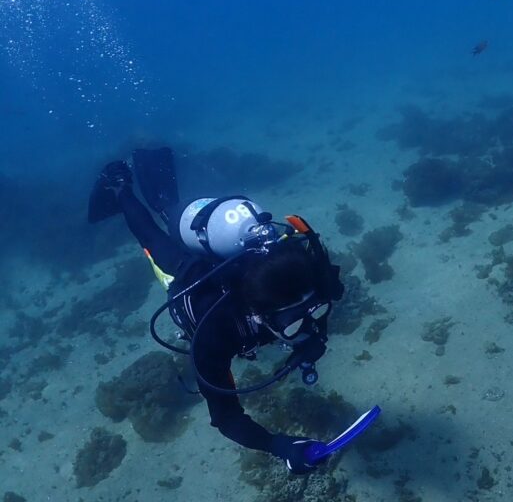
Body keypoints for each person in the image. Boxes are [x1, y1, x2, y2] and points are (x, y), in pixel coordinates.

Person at [88, 147, 346, 474]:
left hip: (231, 257)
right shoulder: (215, 330)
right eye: (294, 325)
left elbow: (318, 305)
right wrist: (278, 446)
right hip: (185, 276)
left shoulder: (311, 278)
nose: (309, 324)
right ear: (259, 316)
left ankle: (164, 199)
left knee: (169, 212)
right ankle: (119, 184)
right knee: (154, 240)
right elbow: (226, 418)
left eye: (314, 311)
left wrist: (312, 340)